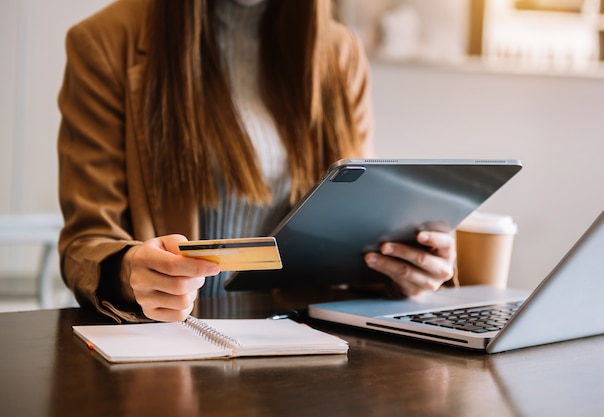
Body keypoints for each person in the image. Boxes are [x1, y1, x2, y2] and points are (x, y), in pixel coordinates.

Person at [57, 0, 456, 323]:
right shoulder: (104, 41)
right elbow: (85, 245)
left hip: (300, 344)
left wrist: (405, 268)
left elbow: (353, 225)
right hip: (171, 343)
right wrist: (128, 271)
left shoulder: (340, 51)